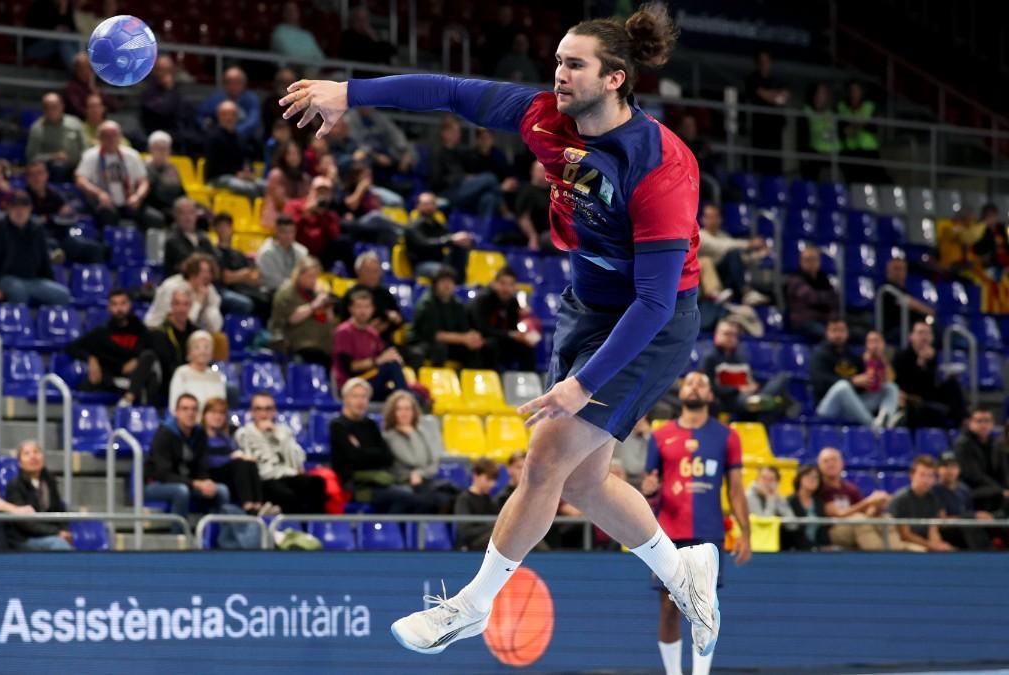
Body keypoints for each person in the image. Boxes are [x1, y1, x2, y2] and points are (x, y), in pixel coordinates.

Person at [281, 5, 718, 654]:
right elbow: (450, 92)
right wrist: (349, 93)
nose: (559, 73)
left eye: (575, 64)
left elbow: (654, 302)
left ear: (616, 79)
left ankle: (474, 604)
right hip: (587, 307)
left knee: (545, 458)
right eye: (558, 61)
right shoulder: (545, 115)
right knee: (584, 481)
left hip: (650, 321)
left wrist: (582, 384)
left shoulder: (661, 168)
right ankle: (683, 571)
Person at [643, 372, 749, 675]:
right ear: (681, 392)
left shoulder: (727, 436)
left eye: (702, 383)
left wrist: (746, 532)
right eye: (689, 382)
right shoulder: (659, 436)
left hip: (709, 532)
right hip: (667, 532)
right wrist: (648, 490)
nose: (695, 386)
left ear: (710, 396)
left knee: (705, 607)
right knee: (667, 608)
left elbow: (737, 489)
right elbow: (650, 488)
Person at [331, 378, 438, 514]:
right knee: (407, 498)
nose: (360, 401)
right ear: (345, 399)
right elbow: (353, 458)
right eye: (355, 396)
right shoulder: (338, 426)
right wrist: (369, 454)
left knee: (419, 499)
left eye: (364, 397)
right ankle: (393, 532)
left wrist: (361, 451)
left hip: (381, 483)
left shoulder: (370, 425)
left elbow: (386, 457)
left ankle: (397, 533)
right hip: (355, 488)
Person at [233, 392, 327, 514]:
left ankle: (314, 527)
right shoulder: (244, 433)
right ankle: (296, 528)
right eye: (258, 409)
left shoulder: (283, 431)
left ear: (274, 411)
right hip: (264, 479)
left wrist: (279, 436)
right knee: (286, 494)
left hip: (287, 475)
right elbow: (251, 465)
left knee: (317, 483)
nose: (263, 414)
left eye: (268, 409)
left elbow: (298, 463)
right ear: (252, 412)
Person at [64, 289, 161, 407]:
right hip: (113, 379)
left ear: (129, 305)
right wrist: (90, 358)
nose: (119, 309)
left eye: (123, 303)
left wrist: (137, 361)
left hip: (138, 378)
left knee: (149, 359)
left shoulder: (141, 331)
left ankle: (129, 399)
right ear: (109, 307)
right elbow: (71, 347)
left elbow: (156, 352)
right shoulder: (101, 333)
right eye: (114, 304)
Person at [143, 393, 229, 522]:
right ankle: (179, 537)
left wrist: (206, 481)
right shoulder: (164, 434)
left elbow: (202, 466)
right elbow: (163, 474)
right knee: (181, 491)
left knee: (221, 490)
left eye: (194, 409)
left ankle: (218, 536)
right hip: (157, 484)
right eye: (185, 409)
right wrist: (195, 483)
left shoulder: (200, 433)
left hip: (188, 483)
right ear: (176, 412)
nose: (190, 413)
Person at [0, 190, 73, 306]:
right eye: (15, 207)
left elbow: (44, 260)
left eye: (23, 207)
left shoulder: (37, 229)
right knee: (18, 290)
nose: (19, 211)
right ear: (8, 209)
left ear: (30, 209)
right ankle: (20, 323)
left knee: (62, 295)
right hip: (7, 278)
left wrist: (49, 280)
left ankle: (48, 322)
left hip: (33, 280)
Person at [811, 320, 899, 427]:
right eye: (834, 330)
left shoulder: (852, 356)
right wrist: (852, 381)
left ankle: (885, 420)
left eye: (841, 330)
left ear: (847, 333)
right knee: (843, 386)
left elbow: (864, 386)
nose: (838, 334)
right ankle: (875, 427)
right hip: (828, 407)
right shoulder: (819, 354)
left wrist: (872, 376)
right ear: (827, 333)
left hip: (852, 407)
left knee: (890, 388)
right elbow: (820, 383)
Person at [698, 319, 792, 421]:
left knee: (783, 377)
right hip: (728, 399)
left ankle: (762, 401)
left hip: (750, 394)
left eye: (734, 335)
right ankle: (775, 403)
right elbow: (710, 387)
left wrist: (752, 385)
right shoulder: (710, 358)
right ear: (716, 335)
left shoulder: (741, 357)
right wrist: (738, 389)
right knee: (769, 408)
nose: (731, 338)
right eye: (727, 334)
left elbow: (749, 379)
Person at [76, 120, 162, 229]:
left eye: (114, 135)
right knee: (107, 216)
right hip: (105, 204)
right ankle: (110, 245)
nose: (111, 139)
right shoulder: (90, 156)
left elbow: (144, 181)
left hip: (130, 202)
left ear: (120, 137)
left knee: (156, 219)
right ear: (100, 138)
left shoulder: (132, 155)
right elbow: (80, 180)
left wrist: (138, 196)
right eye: (107, 136)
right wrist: (98, 193)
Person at [817, 447, 902, 551]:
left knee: (885, 517)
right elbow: (839, 514)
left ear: (842, 463)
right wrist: (868, 501)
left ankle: (898, 552)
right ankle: (878, 557)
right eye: (826, 461)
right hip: (834, 530)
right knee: (859, 520)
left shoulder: (850, 488)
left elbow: (867, 513)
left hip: (855, 525)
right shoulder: (819, 488)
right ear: (819, 466)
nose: (831, 464)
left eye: (834, 459)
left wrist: (878, 506)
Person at [382, 389, 458, 507]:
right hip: (406, 483)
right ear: (393, 412)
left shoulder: (421, 431)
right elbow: (417, 460)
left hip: (425, 480)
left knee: (455, 496)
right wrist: (412, 435)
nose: (404, 413)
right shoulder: (390, 436)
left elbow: (434, 460)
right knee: (436, 500)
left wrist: (420, 473)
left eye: (407, 409)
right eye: (399, 409)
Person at [25, 159, 107, 264]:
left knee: (94, 249)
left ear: (46, 175)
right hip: (41, 239)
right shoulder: (23, 198)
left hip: (62, 237)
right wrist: (53, 217)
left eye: (40, 173)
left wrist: (54, 216)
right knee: (49, 247)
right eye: (32, 175)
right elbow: (29, 221)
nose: (37, 178)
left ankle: (95, 278)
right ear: (27, 178)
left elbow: (71, 212)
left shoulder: (55, 194)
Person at [429, 115, 505, 228]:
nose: (458, 135)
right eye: (455, 132)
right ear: (445, 133)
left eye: (458, 132)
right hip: (447, 192)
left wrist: (468, 178)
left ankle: (481, 237)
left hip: (463, 189)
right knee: (489, 177)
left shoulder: (459, 153)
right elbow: (436, 181)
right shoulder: (437, 153)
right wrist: (460, 178)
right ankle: (504, 208)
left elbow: (473, 165)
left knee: (488, 198)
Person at [332, 289, 408, 399]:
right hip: (350, 385)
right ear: (351, 309)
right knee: (391, 367)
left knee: (416, 395)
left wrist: (392, 357)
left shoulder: (372, 333)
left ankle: (406, 399)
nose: (363, 311)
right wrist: (379, 360)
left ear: (372, 309)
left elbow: (382, 358)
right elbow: (350, 367)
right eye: (359, 307)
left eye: (367, 307)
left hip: (370, 382)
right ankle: (405, 399)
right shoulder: (343, 331)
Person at [405, 266, 483, 369]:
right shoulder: (427, 303)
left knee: (476, 349)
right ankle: (437, 380)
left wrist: (472, 337)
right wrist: (464, 338)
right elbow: (435, 335)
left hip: (449, 344)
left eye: (450, 282)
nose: (447, 285)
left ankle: (469, 380)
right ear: (435, 284)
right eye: (443, 281)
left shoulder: (457, 303)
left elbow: (464, 330)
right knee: (439, 348)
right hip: (423, 343)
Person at [893, 321, 967, 429]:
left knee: (952, 385)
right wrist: (921, 363)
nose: (924, 337)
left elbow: (931, 384)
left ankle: (962, 422)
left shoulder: (933, 355)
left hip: (928, 396)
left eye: (928, 333)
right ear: (911, 336)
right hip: (911, 398)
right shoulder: (901, 356)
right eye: (920, 333)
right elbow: (908, 385)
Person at [200, 398, 268, 515]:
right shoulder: (199, 435)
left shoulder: (225, 437)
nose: (218, 417)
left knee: (249, 463)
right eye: (213, 412)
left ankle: (258, 505)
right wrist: (231, 458)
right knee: (240, 463)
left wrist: (241, 457)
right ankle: (248, 506)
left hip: (228, 474)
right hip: (210, 474)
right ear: (205, 414)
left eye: (221, 413)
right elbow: (204, 461)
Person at [4, 440, 74, 551]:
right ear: (19, 463)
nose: (33, 457)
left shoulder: (50, 481)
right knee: (58, 545)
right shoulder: (14, 486)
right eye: (27, 454)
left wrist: (64, 531)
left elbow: (60, 510)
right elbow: (25, 523)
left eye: (36, 452)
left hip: (50, 535)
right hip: (24, 538)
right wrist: (57, 532)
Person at [270, 255, 337, 367]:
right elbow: (291, 319)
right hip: (298, 344)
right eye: (310, 276)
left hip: (324, 346)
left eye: (315, 276)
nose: (313, 280)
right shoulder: (287, 293)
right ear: (298, 275)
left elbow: (330, 321)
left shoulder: (318, 292)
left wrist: (327, 306)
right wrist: (313, 305)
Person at [697, 203, 769, 304]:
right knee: (728, 254)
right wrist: (749, 244)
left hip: (723, 277)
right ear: (703, 219)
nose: (712, 220)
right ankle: (743, 292)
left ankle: (746, 294)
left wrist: (759, 255)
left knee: (734, 255)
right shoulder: (700, 236)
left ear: (720, 219)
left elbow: (739, 259)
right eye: (709, 217)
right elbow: (720, 246)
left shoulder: (723, 235)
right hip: (703, 280)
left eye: (715, 217)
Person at [468, 266, 536, 371]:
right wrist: (511, 334)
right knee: (491, 346)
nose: (506, 288)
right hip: (480, 341)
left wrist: (522, 336)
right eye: (502, 283)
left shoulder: (513, 302)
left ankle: (529, 383)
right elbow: (483, 329)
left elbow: (512, 328)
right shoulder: (483, 300)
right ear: (494, 283)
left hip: (501, 340)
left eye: (511, 285)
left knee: (526, 347)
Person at [888, 455, 952, 552]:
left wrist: (938, 545)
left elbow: (933, 530)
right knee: (921, 551)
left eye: (930, 476)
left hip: (925, 543)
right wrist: (930, 545)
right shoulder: (901, 499)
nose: (926, 480)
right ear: (912, 475)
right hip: (903, 544)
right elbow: (905, 535)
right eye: (922, 475)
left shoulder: (933, 498)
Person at [146, 253, 224, 332]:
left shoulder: (208, 289)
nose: (207, 276)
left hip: (186, 332)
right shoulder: (172, 286)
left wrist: (209, 306)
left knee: (218, 338)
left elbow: (216, 326)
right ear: (192, 272)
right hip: (158, 328)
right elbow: (180, 322)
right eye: (203, 272)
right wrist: (198, 302)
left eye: (210, 272)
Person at [404, 191, 473, 281]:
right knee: (443, 271)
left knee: (459, 250)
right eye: (425, 204)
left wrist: (462, 241)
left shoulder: (438, 225)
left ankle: (461, 287)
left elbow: (449, 237)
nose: (429, 207)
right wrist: (450, 240)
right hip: (422, 264)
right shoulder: (412, 227)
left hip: (441, 262)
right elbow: (424, 244)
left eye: (432, 203)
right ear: (417, 206)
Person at [285, 174, 348, 271]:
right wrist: (305, 213)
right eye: (319, 192)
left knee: (344, 242)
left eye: (325, 193)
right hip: (294, 250)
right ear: (311, 191)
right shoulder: (294, 205)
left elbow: (334, 237)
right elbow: (287, 229)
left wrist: (322, 216)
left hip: (319, 257)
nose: (322, 196)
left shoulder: (330, 215)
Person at [952, 408, 1009, 515]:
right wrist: (1000, 490)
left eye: (987, 421)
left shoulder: (996, 444)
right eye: (979, 421)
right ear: (970, 423)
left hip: (993, 488)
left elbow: (1003, 471)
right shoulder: (963, 444)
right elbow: (973, 475)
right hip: (971, 490)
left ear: (993, 424)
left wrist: (1005, 488)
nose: (983, 425)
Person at [933, 451, 994, 550]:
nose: (950, 471)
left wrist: (978, 516)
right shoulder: (934, 490)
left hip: (967, 527)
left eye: (953, 467)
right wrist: (972, 516)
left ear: (959, 469)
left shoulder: (964, 489)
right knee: (968, 527)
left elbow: (969, 511)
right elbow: (942, 520)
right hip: (949, 531)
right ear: (938, 469)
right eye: (945, 466)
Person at [210, 213, 268, 317]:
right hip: (226, 290)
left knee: (266, 299)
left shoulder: (238, 253)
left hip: (244, 289)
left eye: (227, 226)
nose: (224, 229)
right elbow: (226, 278)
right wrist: (244, 274)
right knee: (246, 303)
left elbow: (254, 277)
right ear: (215, 229)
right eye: (220, 226)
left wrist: (239, 276)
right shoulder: (214, 252)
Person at [743, 50, 790, 175]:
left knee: (775, 164)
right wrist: (774, 96)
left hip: (775, 128)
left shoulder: (777, 80)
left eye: (767, 60)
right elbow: (765, 95)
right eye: (761, 61)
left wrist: (771, 95)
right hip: (759, 128)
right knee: (759, 163)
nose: (764, 64)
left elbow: (784, 97)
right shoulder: (752, 79)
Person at [339, 251, 402, 341]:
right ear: (358, 272)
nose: (373, 275)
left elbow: (399, 319)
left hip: (384, 341)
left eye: (376, 271)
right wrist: (368, 329)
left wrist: (392, 320)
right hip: (358, 343)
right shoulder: (350, 295)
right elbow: (344, 324)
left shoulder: (384, 292)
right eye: (368, 271)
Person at [26, 91, 85, 183]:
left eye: (54, 107)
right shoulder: (37, 128)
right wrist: (53, 157)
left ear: (62, 106)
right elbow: (32, 157)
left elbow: (84, 149)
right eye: (47, 108)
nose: (50, 111)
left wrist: (83, 166)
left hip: (78, 167)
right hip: (51, 169)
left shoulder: (75, 123)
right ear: (43, 109)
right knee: (59, 167)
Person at [148, 287, 197, 398]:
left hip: (193, 380)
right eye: (177, 304)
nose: (181, 308)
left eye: (185, 304)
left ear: (190, 306)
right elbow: (166, 364)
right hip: (168, 384)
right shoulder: (159, 333)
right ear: (171, 306)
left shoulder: (196, 333)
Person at [784, 245, 839, 342]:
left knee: (844, 334)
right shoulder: (795, 280)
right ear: (801, 261)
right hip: (803, 322)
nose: (810, 263)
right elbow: (812, 298)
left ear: (818, 261)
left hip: (823, 320)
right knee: (827, 335)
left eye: (813, 259)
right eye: (806, 259)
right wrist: (824, 298)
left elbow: (833, 300)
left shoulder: (823, 279)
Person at [168, 330, 227, 414]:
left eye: (206, 347)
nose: (202, 352)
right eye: (197, 347)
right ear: (189, 351)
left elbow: (220, 406)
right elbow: (174, 406)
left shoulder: (217, 376)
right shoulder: (181, 373)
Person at [198, 66, 262, 142]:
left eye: (237, 82)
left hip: (244, 140)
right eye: (228, 82)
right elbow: (201, 116)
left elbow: (253, 121)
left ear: (244, 83)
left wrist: (233, 133)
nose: (232, 86)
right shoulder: (216, 98)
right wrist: (207, 125)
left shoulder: (251, 99)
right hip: (219, 139)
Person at [879, 258, 934, 345]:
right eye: (895, 269)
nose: (898, 272)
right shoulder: (886, 290)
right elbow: (909, 302)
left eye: (901, 269)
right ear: (887, 271)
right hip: (894, 331)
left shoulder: (905, 291)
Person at [453, 457, 502, 551]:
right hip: (471, 546)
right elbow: (464, 532)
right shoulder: (464, 499)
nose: (492, 484)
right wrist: (491, 527)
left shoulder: (489, 500)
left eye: (494, 480)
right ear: (476, 476)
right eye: (488, 479)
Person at [162, 197, 215, 278]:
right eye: (183, 213)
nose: (188, 217)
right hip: (181, 283)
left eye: (191, 212)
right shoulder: (171, 239)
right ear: (176, 216)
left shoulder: (203, 237)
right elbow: (180, 267)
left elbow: (214, 262)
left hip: (205, 283)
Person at [257, 214, 308, 295]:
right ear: (276, 231)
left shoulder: (302, 251)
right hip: (273, 292)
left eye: (292, 232)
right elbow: (273, 281)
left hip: (296, 291)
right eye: (284, 232)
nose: (289, 236)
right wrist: (298, 287)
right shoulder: (266, 252)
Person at [784, 464, 830, 551]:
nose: (812, 479)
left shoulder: (819, 502)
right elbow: (792, 531)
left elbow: (822, 529)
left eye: (816, 477)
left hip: (817, 550)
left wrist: (823, 546)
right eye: (808, 476)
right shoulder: (790, 502)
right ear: (799, 478)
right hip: (794, 550)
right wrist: (812, 547)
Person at [513, 161, 555, 253]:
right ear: (532, 172)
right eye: (541, 170)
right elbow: (523, 217)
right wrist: (533, 236)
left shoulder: (553, 192)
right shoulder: (527, 191)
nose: (544, 173)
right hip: (543, 236)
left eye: (546, 171)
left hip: (557, 232)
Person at [143, 130, 187, 219]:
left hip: (174, 206)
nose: (162, 152)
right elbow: (149, 195)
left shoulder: (173, 168)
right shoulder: (144, 167)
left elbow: (181, 192)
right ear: (150, 149)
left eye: (165, 149)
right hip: (155, 206)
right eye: (159, 148)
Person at [24, 0, 79, 68]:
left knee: (76, 41)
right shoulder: (39, 5)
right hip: (35, 46)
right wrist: (54, 30)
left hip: (57, 45)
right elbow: (35, 30)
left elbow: (71, 28)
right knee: (62, 40)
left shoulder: (67, 7)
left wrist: (63, 10)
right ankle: (78, 71)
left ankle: (86, 68)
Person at [65, 52, 116, 119]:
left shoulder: (95, 86)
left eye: (88, 68)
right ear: (76, 69)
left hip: (100, 124)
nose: (86, 71)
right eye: (82, 68)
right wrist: (95, 112)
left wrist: (94, 90)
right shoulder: (71, 88)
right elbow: (78, 111)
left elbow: (114, 106)